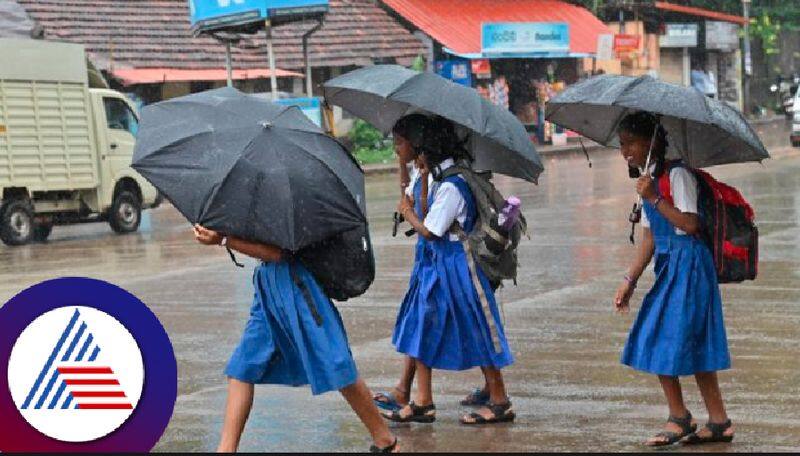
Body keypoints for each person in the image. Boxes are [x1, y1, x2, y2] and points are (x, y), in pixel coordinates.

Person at [192, 226, 399, 453]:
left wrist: (224, 240)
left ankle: (385, 439)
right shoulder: (261, 199)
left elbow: (277, 252)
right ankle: (226, 449)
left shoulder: (285, 199)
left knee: (335, 362)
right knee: (243, 366)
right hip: (268, 285)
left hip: (297, 286)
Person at [383, 116, 515, 425]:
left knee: (478, 329)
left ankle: (500, 401)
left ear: (423, 149)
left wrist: (408, 214)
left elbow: (431, 230)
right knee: (421, 324)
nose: (397, 149)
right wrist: (422, 187)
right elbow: (426, 213)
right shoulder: (437, 178)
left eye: (402, 144)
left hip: (458, 265)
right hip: (438, 263)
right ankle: (422, 401)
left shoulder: (454, 185)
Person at [614, 111, 734, 447]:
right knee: (666, 338)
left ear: (650, 142)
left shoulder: (676, 175)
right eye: (621, 146)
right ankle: (716, 421)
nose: (625, 152)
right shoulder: (647, 180)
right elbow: (650, 239)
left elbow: (691, 224)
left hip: (691, 265)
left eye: (630, 144)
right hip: (669, 266)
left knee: (666, 337)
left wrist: (654, 197)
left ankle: (682, 417)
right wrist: (630, 279)